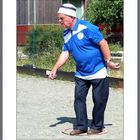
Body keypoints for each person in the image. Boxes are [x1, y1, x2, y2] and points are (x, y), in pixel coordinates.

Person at [48, 3, 120, 136]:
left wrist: (108, 62)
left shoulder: (87, 28)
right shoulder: (66, 33)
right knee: (79, 100)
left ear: (71, 17)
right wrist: (55, 68)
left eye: (61, 18)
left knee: (99, 100)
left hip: (98, 71)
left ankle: (97, 127)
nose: (59, 21)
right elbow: (65, 52)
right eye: (59, 18)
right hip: (81, 73)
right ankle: (81, 127)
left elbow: (103, 43)